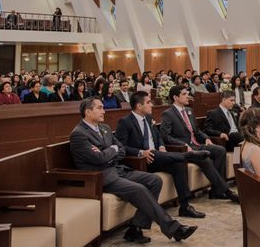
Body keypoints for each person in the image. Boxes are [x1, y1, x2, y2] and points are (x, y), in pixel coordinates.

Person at [70, 97, 197, 243]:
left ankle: (135, 228)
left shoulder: (104, 128)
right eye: (99, 108)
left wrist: (108, 152)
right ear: (87, 111)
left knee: (154, 180)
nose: (103, 111)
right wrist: (112, 150)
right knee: (140, 189)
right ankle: (174, 229)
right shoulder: (79, 134)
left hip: (118, 169)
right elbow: (98, 160)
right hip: (101, 177)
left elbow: (121, 149)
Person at [115, 92, 205, 219]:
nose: (151, 105)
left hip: (158, 156)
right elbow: (121, 147)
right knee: (159, 154)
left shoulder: (148, 118)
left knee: (178, 164)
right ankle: (188, 155)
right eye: (148, 102)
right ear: (139, 106)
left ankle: (185, 206)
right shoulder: (125, 122)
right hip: (142, 160)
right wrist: (141, 152)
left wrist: (162, 146)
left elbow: (157, 137)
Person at [160, 86, 238, 202]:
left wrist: (206, 138)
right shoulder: (168, 113)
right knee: (204, 157)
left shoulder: (189, 111)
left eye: (188, 93)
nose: (188, 96)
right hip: (184, 148)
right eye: (184, 94)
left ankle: (216, 190)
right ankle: (225, 191)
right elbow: (166, 136)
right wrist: (182, 144)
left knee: (220, 150)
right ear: (175, 97)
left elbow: (196, 131)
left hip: (196, 144)